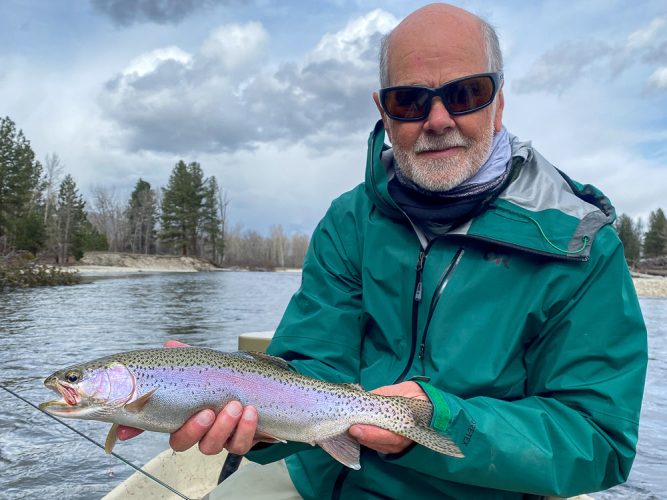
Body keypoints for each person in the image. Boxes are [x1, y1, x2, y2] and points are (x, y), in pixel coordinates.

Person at [120, 3, 648, 498]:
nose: (437, 119)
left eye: (465, 94)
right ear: (384, 110)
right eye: (409, 100)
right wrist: (249, 417)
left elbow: (598, 436)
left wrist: (434, 421)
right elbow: (312, 366)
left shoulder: (580, 244)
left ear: (500, 101)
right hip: (324, 469)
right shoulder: (349, 221)